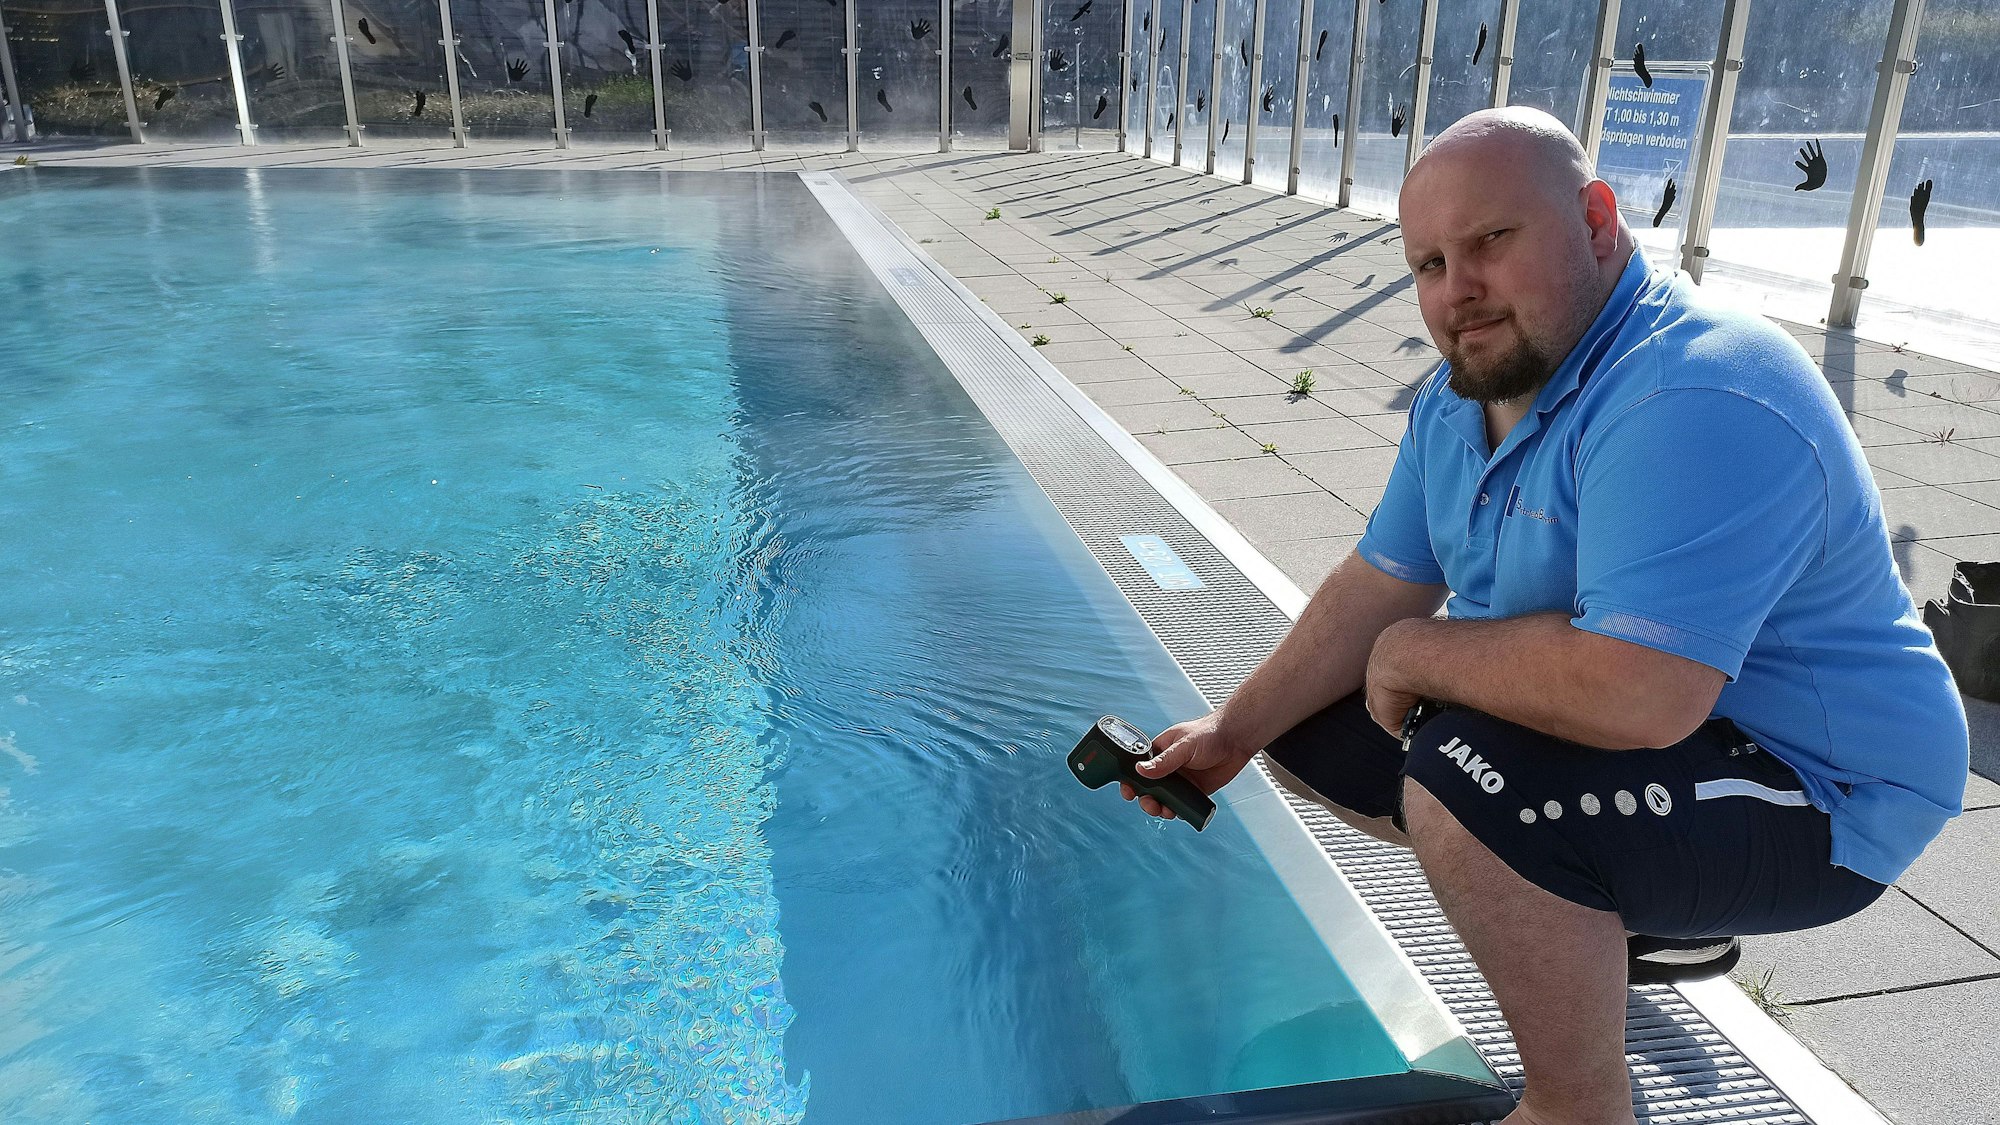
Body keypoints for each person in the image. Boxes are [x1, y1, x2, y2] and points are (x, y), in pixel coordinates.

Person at [1121, 107, 1968, 1125]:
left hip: (1823, 789)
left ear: (1597, 221)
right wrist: (1232, 729)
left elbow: (1637, 697)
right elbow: (1379, 582)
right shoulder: (1465, 393)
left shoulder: (1692, 388)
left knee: (1470, 777)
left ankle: (1575, 1105)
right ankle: (1603, 906)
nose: (1455, 288)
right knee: (1310, 730)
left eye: (1490, 240)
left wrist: (1411, 654)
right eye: (1428, 262)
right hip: (1673, 721)